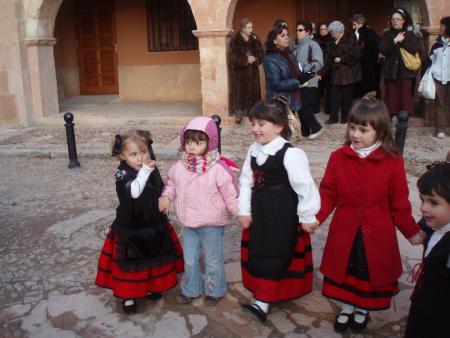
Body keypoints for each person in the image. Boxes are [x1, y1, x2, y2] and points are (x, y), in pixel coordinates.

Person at [306, 97, 424, 333]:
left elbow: (399, 201)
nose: (355, 135)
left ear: (380, 131)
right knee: (346, 272)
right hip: (346, 227)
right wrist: (316, 217)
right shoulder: (338, 158)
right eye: (352, 128)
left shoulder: (393, 161)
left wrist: (410, 230)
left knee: (368, 272)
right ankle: (348, 308)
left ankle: (362, 310)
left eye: (363, 130)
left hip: (377, 229)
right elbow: (328, 193)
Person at [238, 98, 320, 322]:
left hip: (282, 214)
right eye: (253, 124)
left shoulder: (291, 154)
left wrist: (307, 215)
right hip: (260, 211)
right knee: (260, 251)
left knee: (277, 252)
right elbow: (246, 182)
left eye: (261, 124)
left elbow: (305, 187)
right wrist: (244, 210)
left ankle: (264, 301)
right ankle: (263, 294)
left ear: (278, 126)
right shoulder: (253, 151)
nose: (255, 129)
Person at [96, 130, 183, 315]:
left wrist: (164, 198)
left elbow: (159, 187)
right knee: (131, 261)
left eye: (143, 152)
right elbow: (134, 192)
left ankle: (151, 286)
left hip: (152, 221)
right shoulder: (121, 172)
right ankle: (128, 295)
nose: (140, 158)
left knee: (151, 255)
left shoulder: (150, 168)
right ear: (122, 155)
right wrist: (144, 171)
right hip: (131, 226)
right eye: (133, 154)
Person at [158, 116, 239, 306]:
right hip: (189, 223)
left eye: (198, 142)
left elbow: (231, 193)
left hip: (212, 224)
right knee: (190, 260)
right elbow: (172, 184)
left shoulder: (218, 169)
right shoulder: (179, 167)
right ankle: (191, 288)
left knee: (213, 261)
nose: (192, 147)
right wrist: (166, 196)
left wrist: (239, 213)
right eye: (188, 142)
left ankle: (214, 289)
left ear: (210, 142)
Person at [404, 154, 450, 338]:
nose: (423, 208)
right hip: (424, 300)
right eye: (422, 200)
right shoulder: (436, 227)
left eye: (433, 203)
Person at [264, 25, 314, 136]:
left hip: (292, 100)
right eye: (283, 35)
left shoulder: (289, 54)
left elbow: (295, 73)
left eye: (287, 35)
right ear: (274, 40)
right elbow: (275, 84)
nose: (287, 38)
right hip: (279, 103)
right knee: (279, 137)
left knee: (287, 136)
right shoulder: (270, 59)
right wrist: (298, 81)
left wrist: (305, 75)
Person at [379, 7, 419, 118]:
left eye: (398, 19)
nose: (395, 21)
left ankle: (403, 126)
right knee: (390, 98)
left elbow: (414, 49)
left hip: (405, 72)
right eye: (393, 19)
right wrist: (394, 41)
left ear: (403, 21)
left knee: (405, 99)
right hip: (390, 71)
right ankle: (389, 124)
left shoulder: (410, 34)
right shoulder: (387, 34)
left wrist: (402, 41)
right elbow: (383, 50)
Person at [324, 21, 361, 124]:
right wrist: (322, 71)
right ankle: (333, 117)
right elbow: (328, 58)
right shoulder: (331, 42)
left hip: (348, 73)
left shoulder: (350, 38)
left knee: (347, 97)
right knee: (334, 96)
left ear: (339, 32)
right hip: (336, 72)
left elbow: (356, 55)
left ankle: (345, 117)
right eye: (331, 33)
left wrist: (341, 59)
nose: (331, 35)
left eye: (333, 33)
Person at [230, 18, 264, 124]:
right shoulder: (235, 40)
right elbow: (232, 58)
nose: (251, 29)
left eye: (252, 27)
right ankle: (239, 113)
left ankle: (253, 112)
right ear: (243, 28)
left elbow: (261, 53)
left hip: (253, 72)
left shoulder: (255, 38)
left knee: (254, 92)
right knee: (239, 93)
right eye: (249, 27)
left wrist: (255, 58)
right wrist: (245, 60)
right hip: (240, 73)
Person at [293, 20, 324, 138]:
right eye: (297, 30)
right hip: (299, 81)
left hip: (310, 80)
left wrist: (308, 70)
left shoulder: (313, 45)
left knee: (304, 105)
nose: (298, 32)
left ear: (308, 31)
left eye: (300, 30)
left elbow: (319, 62)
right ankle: (305, 132)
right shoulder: (297, 47)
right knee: (299, 107)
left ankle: (316, 127)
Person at [424, 16, 450, 139]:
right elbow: (429, 61)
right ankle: (440, 129)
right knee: (440, 104)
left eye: (442, 26)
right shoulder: (436, 44)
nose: (440, 28)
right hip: (438, 77)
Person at [351, 14, 381, 98]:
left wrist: (359, 56)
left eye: (355, 25)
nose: (353, 27)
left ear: (360, 24)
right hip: (361, 66)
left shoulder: (368, 33)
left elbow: (369, 49)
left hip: (368, 66)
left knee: (367, 87)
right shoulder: (356, 33)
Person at [314, 21, 332, 115]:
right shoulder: (316, 41)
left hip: (329, 68)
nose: (323, 31)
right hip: (318, 68)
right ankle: (315, 107)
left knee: (329, 90)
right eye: (321, 29)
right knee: (317, 89)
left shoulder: (332, 40)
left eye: (325, 29)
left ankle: (328, 108)